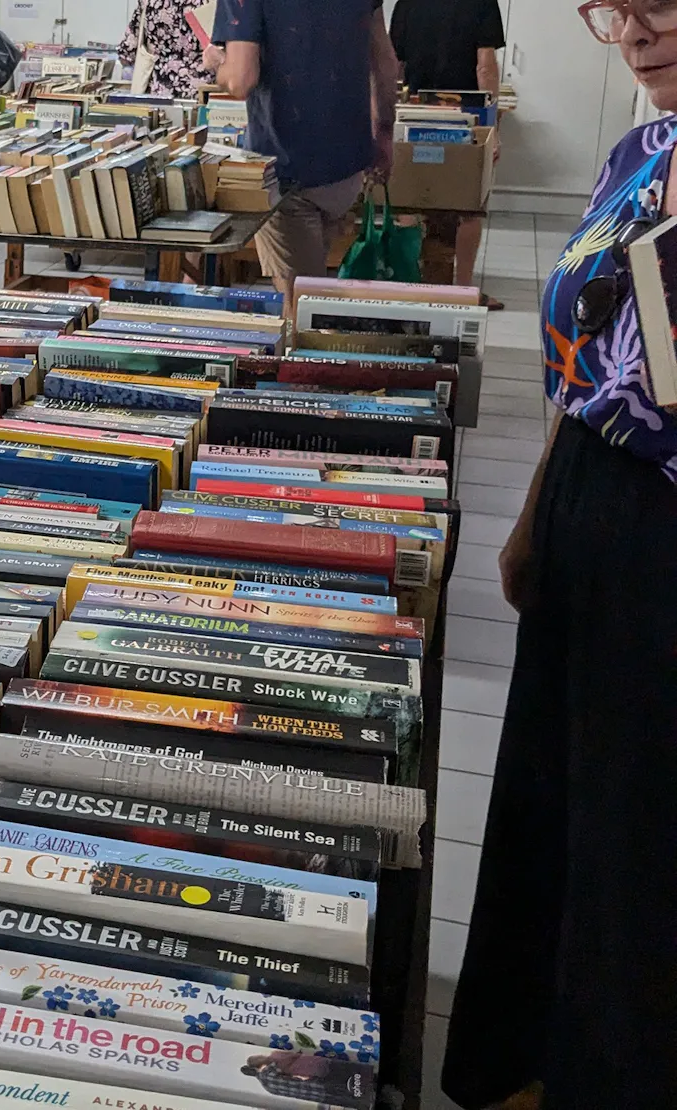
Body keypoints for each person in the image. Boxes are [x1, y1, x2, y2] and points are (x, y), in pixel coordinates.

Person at [440, 4, 677, 1109]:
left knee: (642, 842)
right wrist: (535, 513)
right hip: (592, 510)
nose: (631, 33)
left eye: (657, 4)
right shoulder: (643, 152)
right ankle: (533, 1059)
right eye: (611, 11)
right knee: (566, 806)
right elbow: (582, 363)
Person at [204, 0, 399, 306]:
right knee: (315, 285)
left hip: (285, 168)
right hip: (347, 164)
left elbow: (240, 80)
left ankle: (311, 333)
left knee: (300, 306)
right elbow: (383, 58)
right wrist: (385, 132)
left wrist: (217, 63)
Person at [389, 0, 506, 307]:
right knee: (469, 206)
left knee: (410, 200)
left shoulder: (406, 3)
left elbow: (394, 65)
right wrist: (491, 129)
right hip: (464, 118)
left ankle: (408, 284)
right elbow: (485, 66)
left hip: (415, 114)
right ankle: (463, 290)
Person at [119, 0, 215, 98]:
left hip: (160, 90)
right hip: (203, 90)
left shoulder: (148, 2)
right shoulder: (208, 2)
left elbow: (127, 52)